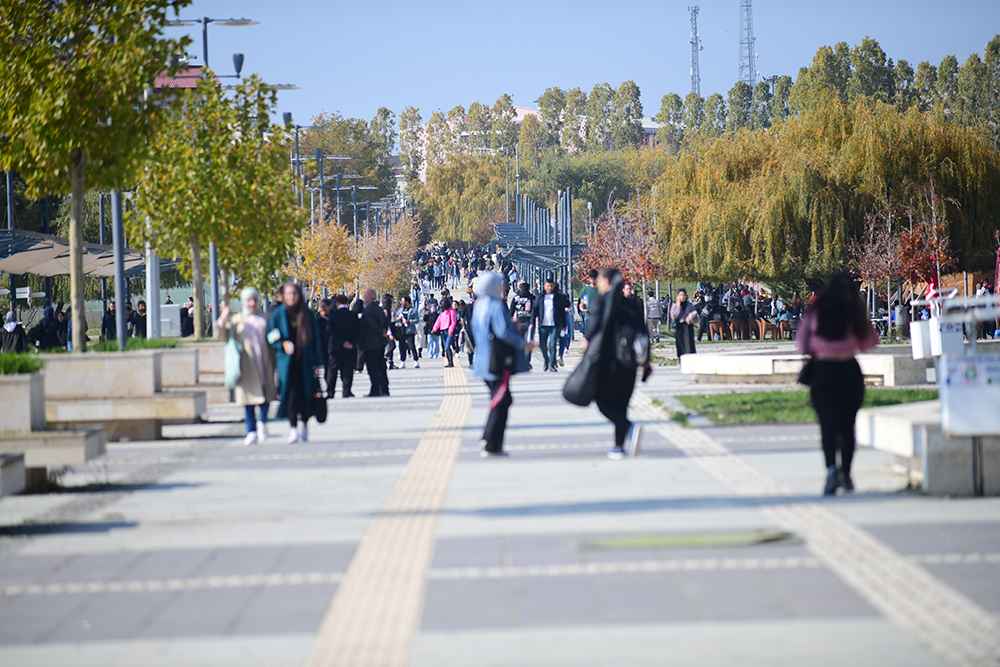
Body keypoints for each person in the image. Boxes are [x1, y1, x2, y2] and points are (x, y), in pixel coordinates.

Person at [797, 272, 879, 495]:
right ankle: (847, 472)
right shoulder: (853, 311)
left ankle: (831, 470)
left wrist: (819, 346)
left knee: (827, 425)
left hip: (822, 373)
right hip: (848, 371)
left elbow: (802, 343)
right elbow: (870, 341)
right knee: (847, 425)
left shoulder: (816, 310)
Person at [586, 269, 651, 460]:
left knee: (602, 401)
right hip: (630, 362)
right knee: (622, 404)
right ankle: (618, 446)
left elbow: (594, 328)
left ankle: (628, 430)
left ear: (606, 282)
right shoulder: (633, 304)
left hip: (608, 361)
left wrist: (586, 344)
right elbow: (643, 334)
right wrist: (646, 362)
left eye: (599, 280)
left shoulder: (602, 301)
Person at [471, 272, 534, 457]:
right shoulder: (495, 305)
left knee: (500, 398)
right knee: (501, 399)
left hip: (482, 359)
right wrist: (524, 344)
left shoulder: (479, 305)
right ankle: (491, 442)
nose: (503, 287)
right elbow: (503, 332)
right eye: (500, 284)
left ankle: (489, 438)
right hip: (497, 361)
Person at [217, 287, 276, 446]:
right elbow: (222, 336)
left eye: (254, 299)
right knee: (247, 398)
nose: (252, 303)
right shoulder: (237, 319)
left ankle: (262, 423)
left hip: (264, 361)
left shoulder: (265, 318)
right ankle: (251, 431)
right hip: (246, 364)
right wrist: (222, 319)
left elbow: (273, 338)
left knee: (265, 394)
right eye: (249, 300)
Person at [268, 282, 324, 444]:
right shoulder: (278, 314)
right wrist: (282, 344)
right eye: (288, 294)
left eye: (294, 293)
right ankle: (293, 428)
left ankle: (304, 426)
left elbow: (316, 340)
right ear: (283, 296)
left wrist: (319, 363)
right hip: (287, 363)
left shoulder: (306, 314)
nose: (291, 297)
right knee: (291, 396)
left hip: (305, 362)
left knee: (306, 395)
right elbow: (270, 335)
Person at [532, 279, 569, 372]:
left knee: (552, 344)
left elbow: (564, 309)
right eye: (547, 286)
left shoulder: (558, 297)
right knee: (542, 345)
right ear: (544, 286)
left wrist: (564, 324)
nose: (549, 288)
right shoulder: (540, 297)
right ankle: (546, 360)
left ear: (554, 286)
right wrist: (532, 322)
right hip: (543, 325)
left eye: (551, 286)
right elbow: (535, 310)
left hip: (555, 325)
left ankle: (552, 364)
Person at [359, 288, 391, 396]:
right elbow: (385, 323)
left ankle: (376, 390)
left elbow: (371, 325)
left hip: (371, 343)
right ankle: (383, 389)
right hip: (378, 343)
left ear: (371, 296)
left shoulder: (369, 310)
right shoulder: (378, 309)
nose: (364, 297)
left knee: (373, 368)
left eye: (366, 295)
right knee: (380, 366)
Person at [329, 294, 359, 398]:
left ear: (336, 303)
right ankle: (346, 391)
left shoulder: (333, 315)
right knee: (347, 370)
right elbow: (357, 331)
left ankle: (330, 391)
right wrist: (351, 343)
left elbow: (331, 332)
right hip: (350, 347)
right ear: (347, 303)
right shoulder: (353, 315)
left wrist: (341, 342)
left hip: (335, 347)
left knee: (333, 370)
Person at [432, 296, 459, 368]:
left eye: (443, 304)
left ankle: (451, 362)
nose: (442, 305)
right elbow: (438, 321)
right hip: (443, 331)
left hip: (449, 331)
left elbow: (454, 322)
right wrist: (434, 329)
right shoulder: (442, 313)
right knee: (445, 348)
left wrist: (451, 330)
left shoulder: (452, 311)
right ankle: (450, 362)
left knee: (447, 347)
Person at [670, 289, 698, 357]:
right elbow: (673, 316)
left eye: (683, 295)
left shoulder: (690, 305)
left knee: (689, 345)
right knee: (680, 345)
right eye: (680, 295)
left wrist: (692, 316)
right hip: (679, 327)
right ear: (677, 296)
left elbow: (696, 317)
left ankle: (691, 358)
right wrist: (678, 305)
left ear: (686, 296)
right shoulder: (674, 305)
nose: (682, 297)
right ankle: (681, 358)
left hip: (688, 327)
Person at [394, 295, 420, 369]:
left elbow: (417, 320)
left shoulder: (413, 310)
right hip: (401, 331)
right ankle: (402, 362)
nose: (401, 302)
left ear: (407, 302)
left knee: (412, 346)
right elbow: (395, 317)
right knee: (401, 346)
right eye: (401, 301)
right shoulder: (400, 309)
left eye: (403, 301)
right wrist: (398, 318)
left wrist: (409, 321)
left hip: (409, 330)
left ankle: (416, 361)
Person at [577, 269, 598, 334]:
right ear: (589, 279)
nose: (593, 280)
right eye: (591, 278)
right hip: (588, 314)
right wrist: (582, 308)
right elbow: (581, 303)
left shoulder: (601, 289)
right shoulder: (585, 290)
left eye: (594, 278)